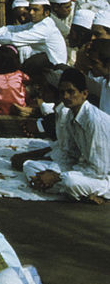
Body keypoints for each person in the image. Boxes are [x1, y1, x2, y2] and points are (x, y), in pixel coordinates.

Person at [10, 68, 110, 200]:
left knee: (70, 182)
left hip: (103, 178)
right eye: (62, 92)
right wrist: (51, 173)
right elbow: (71, 155)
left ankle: (99, 193)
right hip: (81, 169)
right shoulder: (70, 115)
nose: (66, 97)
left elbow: (99, 170)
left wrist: (58, 177)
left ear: (84, 94)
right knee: (30, 166)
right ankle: (71, 191)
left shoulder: (95, 120)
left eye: (71, 92)